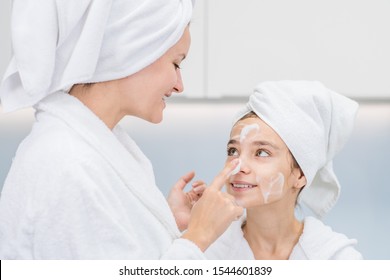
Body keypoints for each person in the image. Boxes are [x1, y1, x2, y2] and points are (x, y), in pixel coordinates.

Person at [0, 0, 243, 259]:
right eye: (176, 63)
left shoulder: (91, 151)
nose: (179, 85)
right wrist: (199, 236)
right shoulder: (68, 166)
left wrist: (162, 221)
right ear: (135, 52)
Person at [205, 80, 363, 260]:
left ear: (301, 175)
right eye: (233, 151)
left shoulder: (336, 260)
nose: (239, 166)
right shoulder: (206, 252)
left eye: (261, 153)